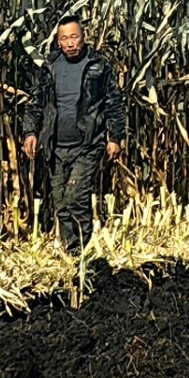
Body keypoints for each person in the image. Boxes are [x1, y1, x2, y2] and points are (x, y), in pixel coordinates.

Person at [21, 15, 124, 253]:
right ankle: (72, 252)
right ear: (58, 41)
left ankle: (81, 252)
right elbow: (36, 102)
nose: (70, 43)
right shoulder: (50, 67)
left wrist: (114, 137)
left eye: (74, 37)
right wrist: (30, 132)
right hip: (55, 146)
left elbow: (113, 103)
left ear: (83, 37)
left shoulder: (98, 65)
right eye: (64, 38)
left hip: (88, 144)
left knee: (75, 197)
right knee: (61, 203)